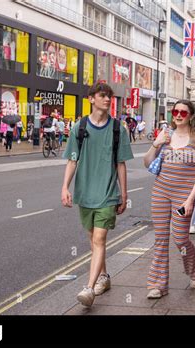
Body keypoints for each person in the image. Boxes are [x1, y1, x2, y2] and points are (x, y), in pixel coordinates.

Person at [62, 81, 133, 307]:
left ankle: (89, 288)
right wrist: (65, 187)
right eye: (102, 96)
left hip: (108, 194)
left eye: (109, 97)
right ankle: (104, 276)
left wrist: (124, 194)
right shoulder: (79, 127)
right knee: (93, 240)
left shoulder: (117, 129)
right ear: (91, 98)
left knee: (100, 239)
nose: (107, 100)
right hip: (85, 193)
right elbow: (72, 160)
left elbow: (121, 164)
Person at [143, 99, 195, 299]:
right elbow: (147, 163)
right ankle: (158, 284)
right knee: (161, 239)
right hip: (161, 192)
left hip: (183, 196)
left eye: (183, 112)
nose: (178, 115)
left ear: (190, 116)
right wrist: (156, 143)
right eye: (175, 111)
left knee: (180, 239)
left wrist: (190, 200)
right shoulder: (166, 136)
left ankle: (194, 268)